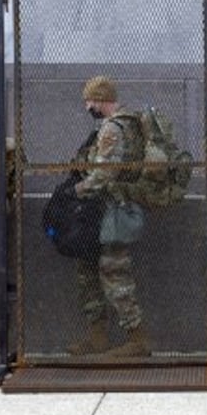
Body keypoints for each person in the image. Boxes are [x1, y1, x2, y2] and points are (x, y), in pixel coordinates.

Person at [65, 75, 152, 357]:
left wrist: (77, 189)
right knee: (88, 271)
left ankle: (137, 339)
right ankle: (98, 336)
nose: (87, 105)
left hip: (112, 209)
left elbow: (104, 173)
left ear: (100, 100)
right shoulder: (130, 124)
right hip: (106, 210)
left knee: (115, 273)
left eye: (89, 100)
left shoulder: (112, 128)